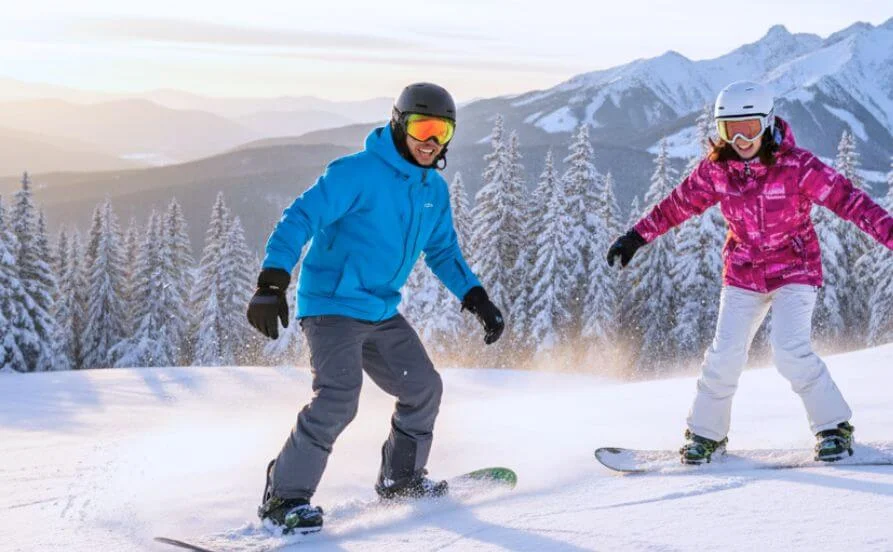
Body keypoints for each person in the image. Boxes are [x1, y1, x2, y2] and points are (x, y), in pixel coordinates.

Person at [246, 83, 504, 534]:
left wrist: (475, 297)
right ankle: (284, 496)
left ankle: (400, 479)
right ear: (399, 124)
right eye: (423, 128)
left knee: (424, 388)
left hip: (380, 311)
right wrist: (272, 282)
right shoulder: (356, 173)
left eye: (441, 133)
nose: (430, 143)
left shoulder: (433, 192)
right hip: (331, 306)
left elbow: (443, 251)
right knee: (339, 397)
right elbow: (300, 217)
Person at [606, 81, 893, 465]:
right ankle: (706, 436)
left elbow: (851, 202)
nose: (740, 139)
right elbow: (676, 205)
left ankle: (833, 428)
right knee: (724, 355)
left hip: (795, 269)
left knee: (790, 351)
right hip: (743, 273)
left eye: (750, 129)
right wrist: (636, 236)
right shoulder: (716, 172)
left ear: (768, 124)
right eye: (730, 130)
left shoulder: (798, 167)